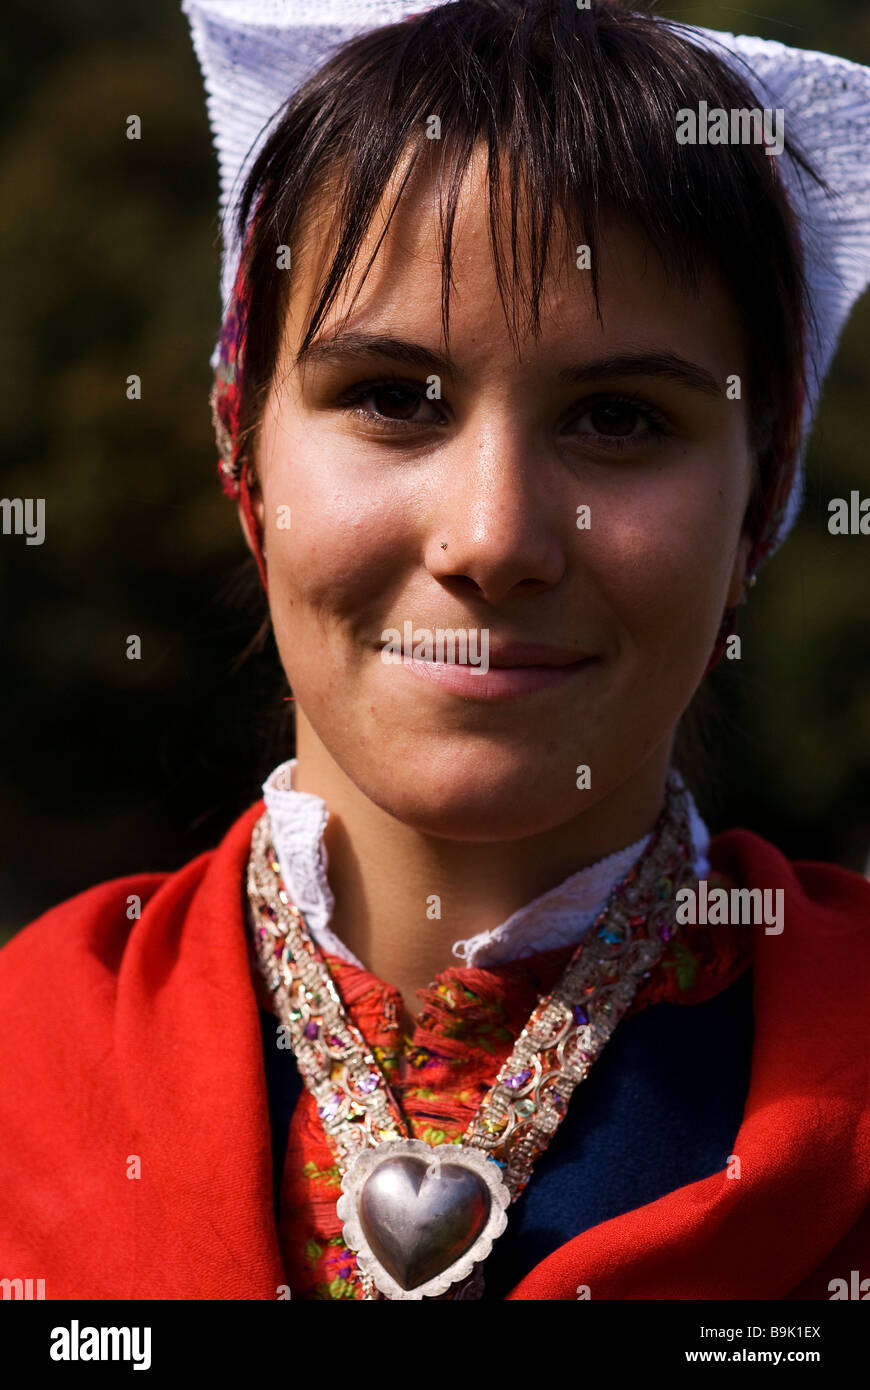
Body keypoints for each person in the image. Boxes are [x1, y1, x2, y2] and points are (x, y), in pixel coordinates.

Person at [0, 0, 868, 1302]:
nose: (494, 534)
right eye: (394, 398)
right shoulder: (24, 1068)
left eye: (619, 418)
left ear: (761, 493)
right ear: (239, 443)